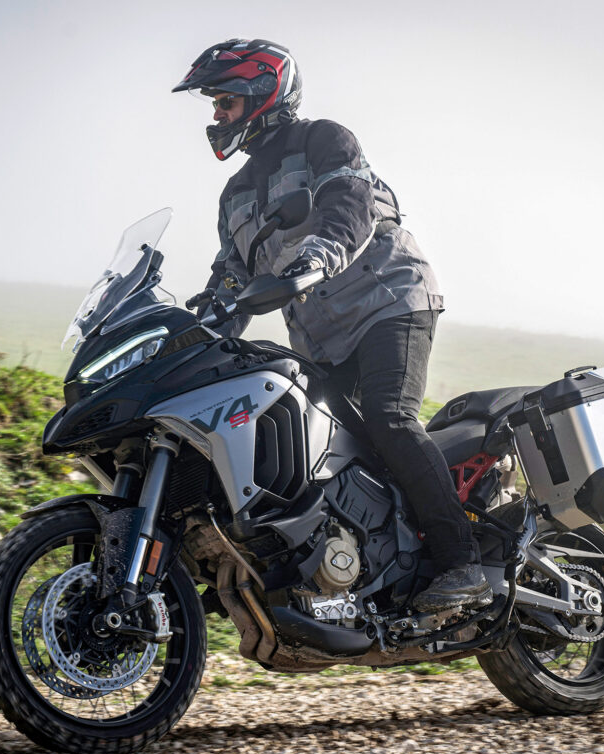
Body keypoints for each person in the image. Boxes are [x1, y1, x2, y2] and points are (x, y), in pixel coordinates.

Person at [172, 39, 492, 612]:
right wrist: (194, 325)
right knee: (313, 445)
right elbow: (232, 276)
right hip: (321, 336)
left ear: (262, 94)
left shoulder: (323, 140)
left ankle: (460, 561)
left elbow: (349, 205)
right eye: (214, 106)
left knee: (390, 420)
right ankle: (364, 567)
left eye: (225, 103)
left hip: (387, 300)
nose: (216, 117)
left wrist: (317, 255)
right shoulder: (236, 194)